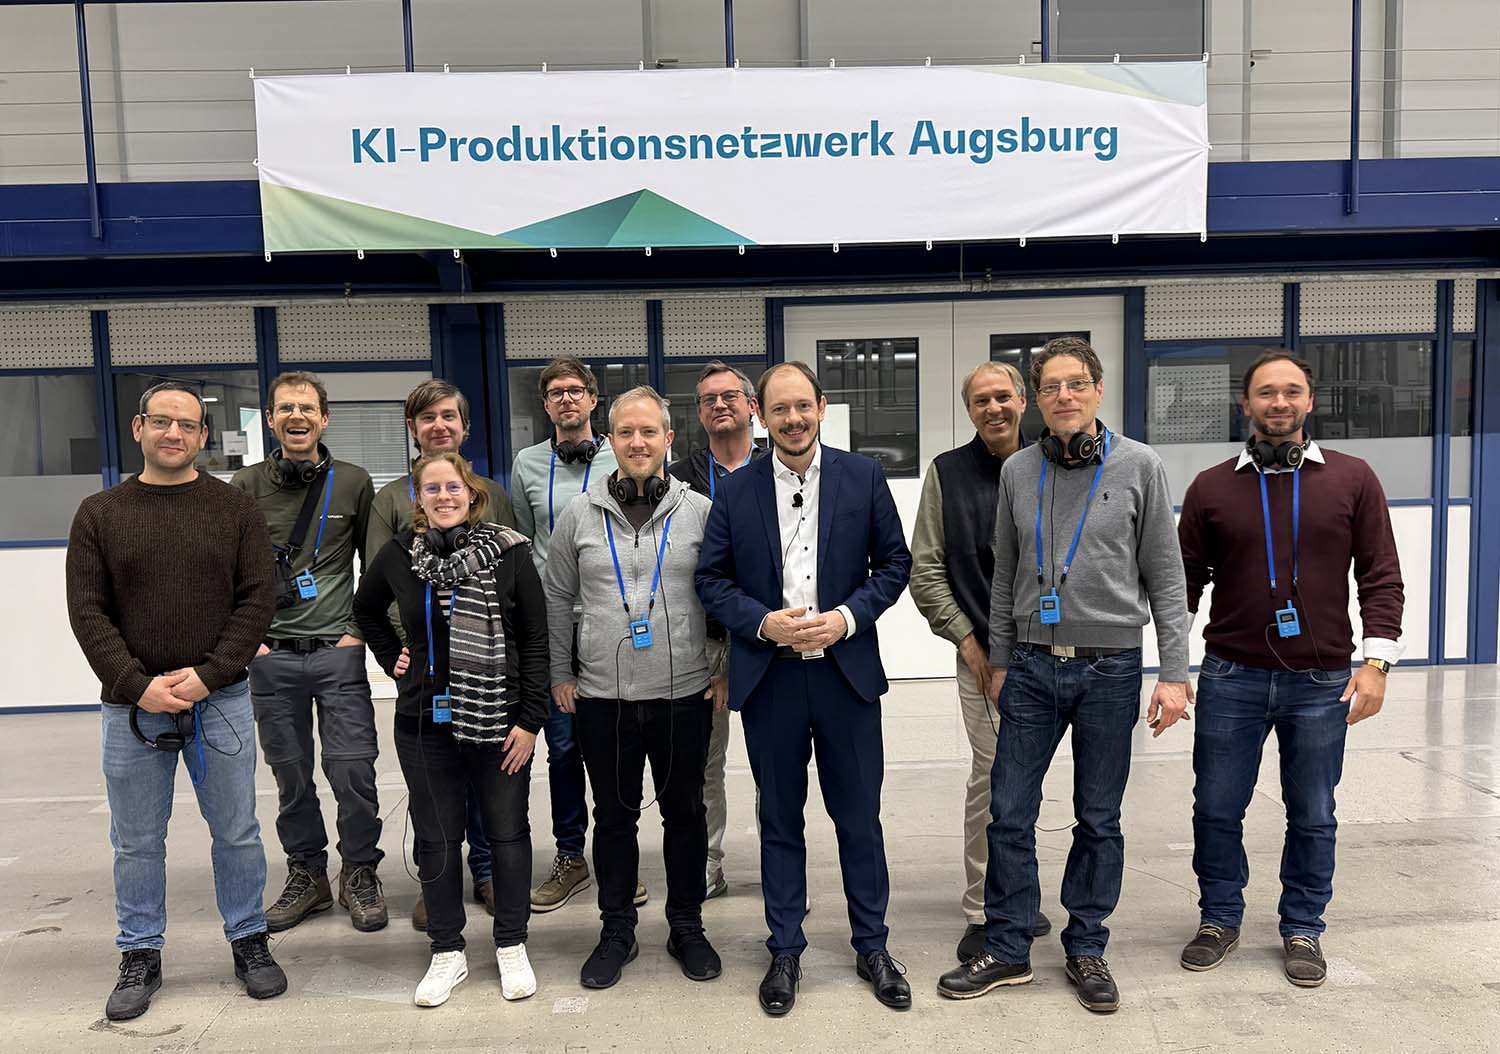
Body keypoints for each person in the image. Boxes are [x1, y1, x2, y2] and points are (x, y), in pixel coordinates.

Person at [937, 337, 1192, 1014]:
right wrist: (997, 659)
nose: (1064, 397)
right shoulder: (1021, 470)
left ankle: (1087, 946)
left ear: (1098, 390)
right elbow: (1005, 579)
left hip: (1111, 670)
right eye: (1050, 387)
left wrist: (1174, 672)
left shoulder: (1141, 465)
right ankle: (1010, 945)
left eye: (1075, 383)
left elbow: (1167, 577)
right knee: (1009, 813)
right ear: (1037, 401)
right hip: (1029, 667)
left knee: (1098, 819)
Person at [1176, 349, 1404, 988]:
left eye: (1292, 392)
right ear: (1244, 405)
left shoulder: (1354, 479)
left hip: (1322, 682)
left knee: (1313, 812)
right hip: (1230, 677)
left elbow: (1381, 576)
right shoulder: (1212, 486)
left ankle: (1303, 927)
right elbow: (1183, 586)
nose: (1279, 403)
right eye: (1266, 393)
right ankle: (1219, 918)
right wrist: (1170, 667)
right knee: (1217, 807)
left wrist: (1377, 662)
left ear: (1310, 402)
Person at [696, 361, 914, 1018]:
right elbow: (712, 580)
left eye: (803, 406)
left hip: (845, 678)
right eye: (779, 409)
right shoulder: (736, 492)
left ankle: (872, 945)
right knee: (778, 820)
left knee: (859, 820)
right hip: (773, 683)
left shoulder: (861, 475)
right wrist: (763, 623)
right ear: (760, 415)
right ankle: (785, 947)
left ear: (821, 406)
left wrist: (845, 618)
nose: (793, 419)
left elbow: (894, 564)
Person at [66, 381, 285, 1021]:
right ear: (138, 429)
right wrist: (140, 685)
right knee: (136, 841)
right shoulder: (99, 513)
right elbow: (87, 611)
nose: (174, 434)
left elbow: (257, 600)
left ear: (203, 437)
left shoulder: (234, 510)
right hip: (130, 708)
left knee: (238, 830)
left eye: (187, 425)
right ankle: (139, 954)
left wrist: (210, 675)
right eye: (161, 422)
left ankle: (249, 940)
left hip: (219, 700)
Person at [542, 386, 722, 990]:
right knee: (613, 818)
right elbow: (557, 596)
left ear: (669, 440)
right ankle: (616, 929)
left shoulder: (699, 512)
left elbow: (721, 594)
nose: (638, 443)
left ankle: (686, 925)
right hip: (603, 697)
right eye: (626, 433)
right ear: (610, 442)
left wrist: (719, 665)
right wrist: (561, 672)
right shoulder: (580, 514)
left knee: (685, 814)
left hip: (683, 694)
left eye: (649, 432)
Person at [354, 452, 547, 1007]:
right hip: (423, 721)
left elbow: (535, 639)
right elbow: (366, 610)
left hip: (500, 719)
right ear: (418, 498)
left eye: (453, 486)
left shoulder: (509, 553)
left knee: (507, 832)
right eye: (432, 488)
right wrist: (394, 654)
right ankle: (447, 952)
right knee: (437, 837)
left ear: (472, 493)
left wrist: (530, 720)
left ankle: (510, 943)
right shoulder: (399, 556)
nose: (444, 496)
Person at [231, 371, 385, 933]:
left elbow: (376, 568)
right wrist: (256, 644)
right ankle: (309, 874)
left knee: (353, 771)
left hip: (337, 653)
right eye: (285, 408)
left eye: (307, 408)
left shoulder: (353, 482)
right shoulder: (243, 487)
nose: (297, 417)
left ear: (324, 418)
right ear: (270, 419)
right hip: (271, 658)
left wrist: (357, 633)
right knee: (291, 774)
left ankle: (360, 871)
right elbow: (231, 575)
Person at [909, 361, 1051, 962]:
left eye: (1002, 397)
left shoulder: (1057, 462)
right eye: (980, 401)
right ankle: (984, 906)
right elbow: (927, 571)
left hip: (1057, 657)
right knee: (994, 778)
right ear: (968, 410)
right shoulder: (947, 474)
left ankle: (1016, 891)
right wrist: (976, 652)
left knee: (1030, 785)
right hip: (986, 659)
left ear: (1022, 400)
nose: (993, 408)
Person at [367, 379, 517, 931]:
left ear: (465, 426)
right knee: (435, 786)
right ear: (413, 428)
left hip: (486, 668)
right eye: (426, 417)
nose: (439, 426)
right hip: (427, 670)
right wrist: (401, 652)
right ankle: (440, 887)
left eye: (449, 416)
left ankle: (487, 871)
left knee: (486, 771)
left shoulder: (493, 494)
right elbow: (378, 587)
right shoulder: (388, 500)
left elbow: (511, 578)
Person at [509, 358, 647, 913]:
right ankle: (572, 856)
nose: (567, 399)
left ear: (594, 400)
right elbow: (521, 541)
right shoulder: (527, 464)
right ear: (545, 405)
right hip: (554, 626)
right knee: (563, 750)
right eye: (556, 393)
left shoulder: (626, 454)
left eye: (576, 391)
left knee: (614, 747)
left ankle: (619, 856)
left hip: (615, 623)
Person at [667, 361, 766, 900]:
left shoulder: (781, 468)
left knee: (775, 760)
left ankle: (780, 859)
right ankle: (708, 862)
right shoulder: (677, 480)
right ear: (698, 414)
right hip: (700, 642)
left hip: (770, 636)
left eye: (730, 396)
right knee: (704, 763)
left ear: (753, 407)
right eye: (708, 399)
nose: (719, 405)